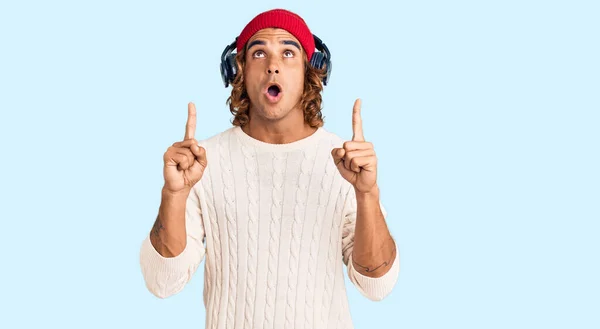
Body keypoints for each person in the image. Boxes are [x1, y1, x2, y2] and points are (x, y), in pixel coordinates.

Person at [139, 8, 399, 329]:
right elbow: (162, 281)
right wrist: (173, 195)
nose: (273, 65)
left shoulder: (345, 162)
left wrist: (367, 194)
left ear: (309, 71)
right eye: (259, 52)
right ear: (240, 71)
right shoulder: (200, 161)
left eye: (288, 53)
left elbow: (377, 285)